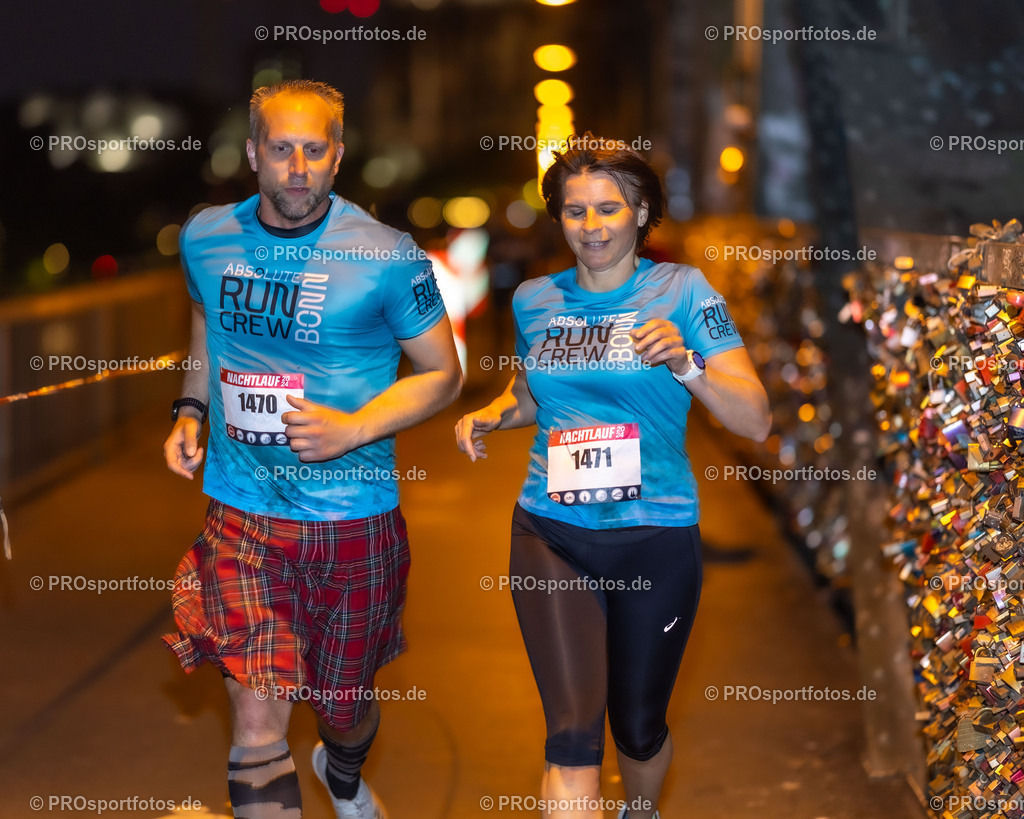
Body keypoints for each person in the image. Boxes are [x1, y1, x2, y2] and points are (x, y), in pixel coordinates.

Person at [162, 79, 462, 819]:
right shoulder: (205, 237)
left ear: (337, 157)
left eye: (314, 150)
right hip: (243, 514)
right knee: (259, 719)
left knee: (344, 704)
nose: (297, 167)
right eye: (281, 149)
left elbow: (444, 374)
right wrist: (192, 408)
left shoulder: (388, 256)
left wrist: (354, 427)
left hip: (353, 517)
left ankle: (345, 765)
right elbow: (206, 326)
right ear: (253, 154)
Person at [454, 135, 770, 819]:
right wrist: (490, 413)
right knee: (570, 738)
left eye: (608, 209)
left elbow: (755, 420)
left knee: (637, 727)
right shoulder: (537, 299)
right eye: (575, 212)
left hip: (654, 536)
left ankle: (643, 809)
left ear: (640, 212)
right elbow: (535, 394)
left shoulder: (683, 291)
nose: (591, 227)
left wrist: (688, 363)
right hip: (552, 530)